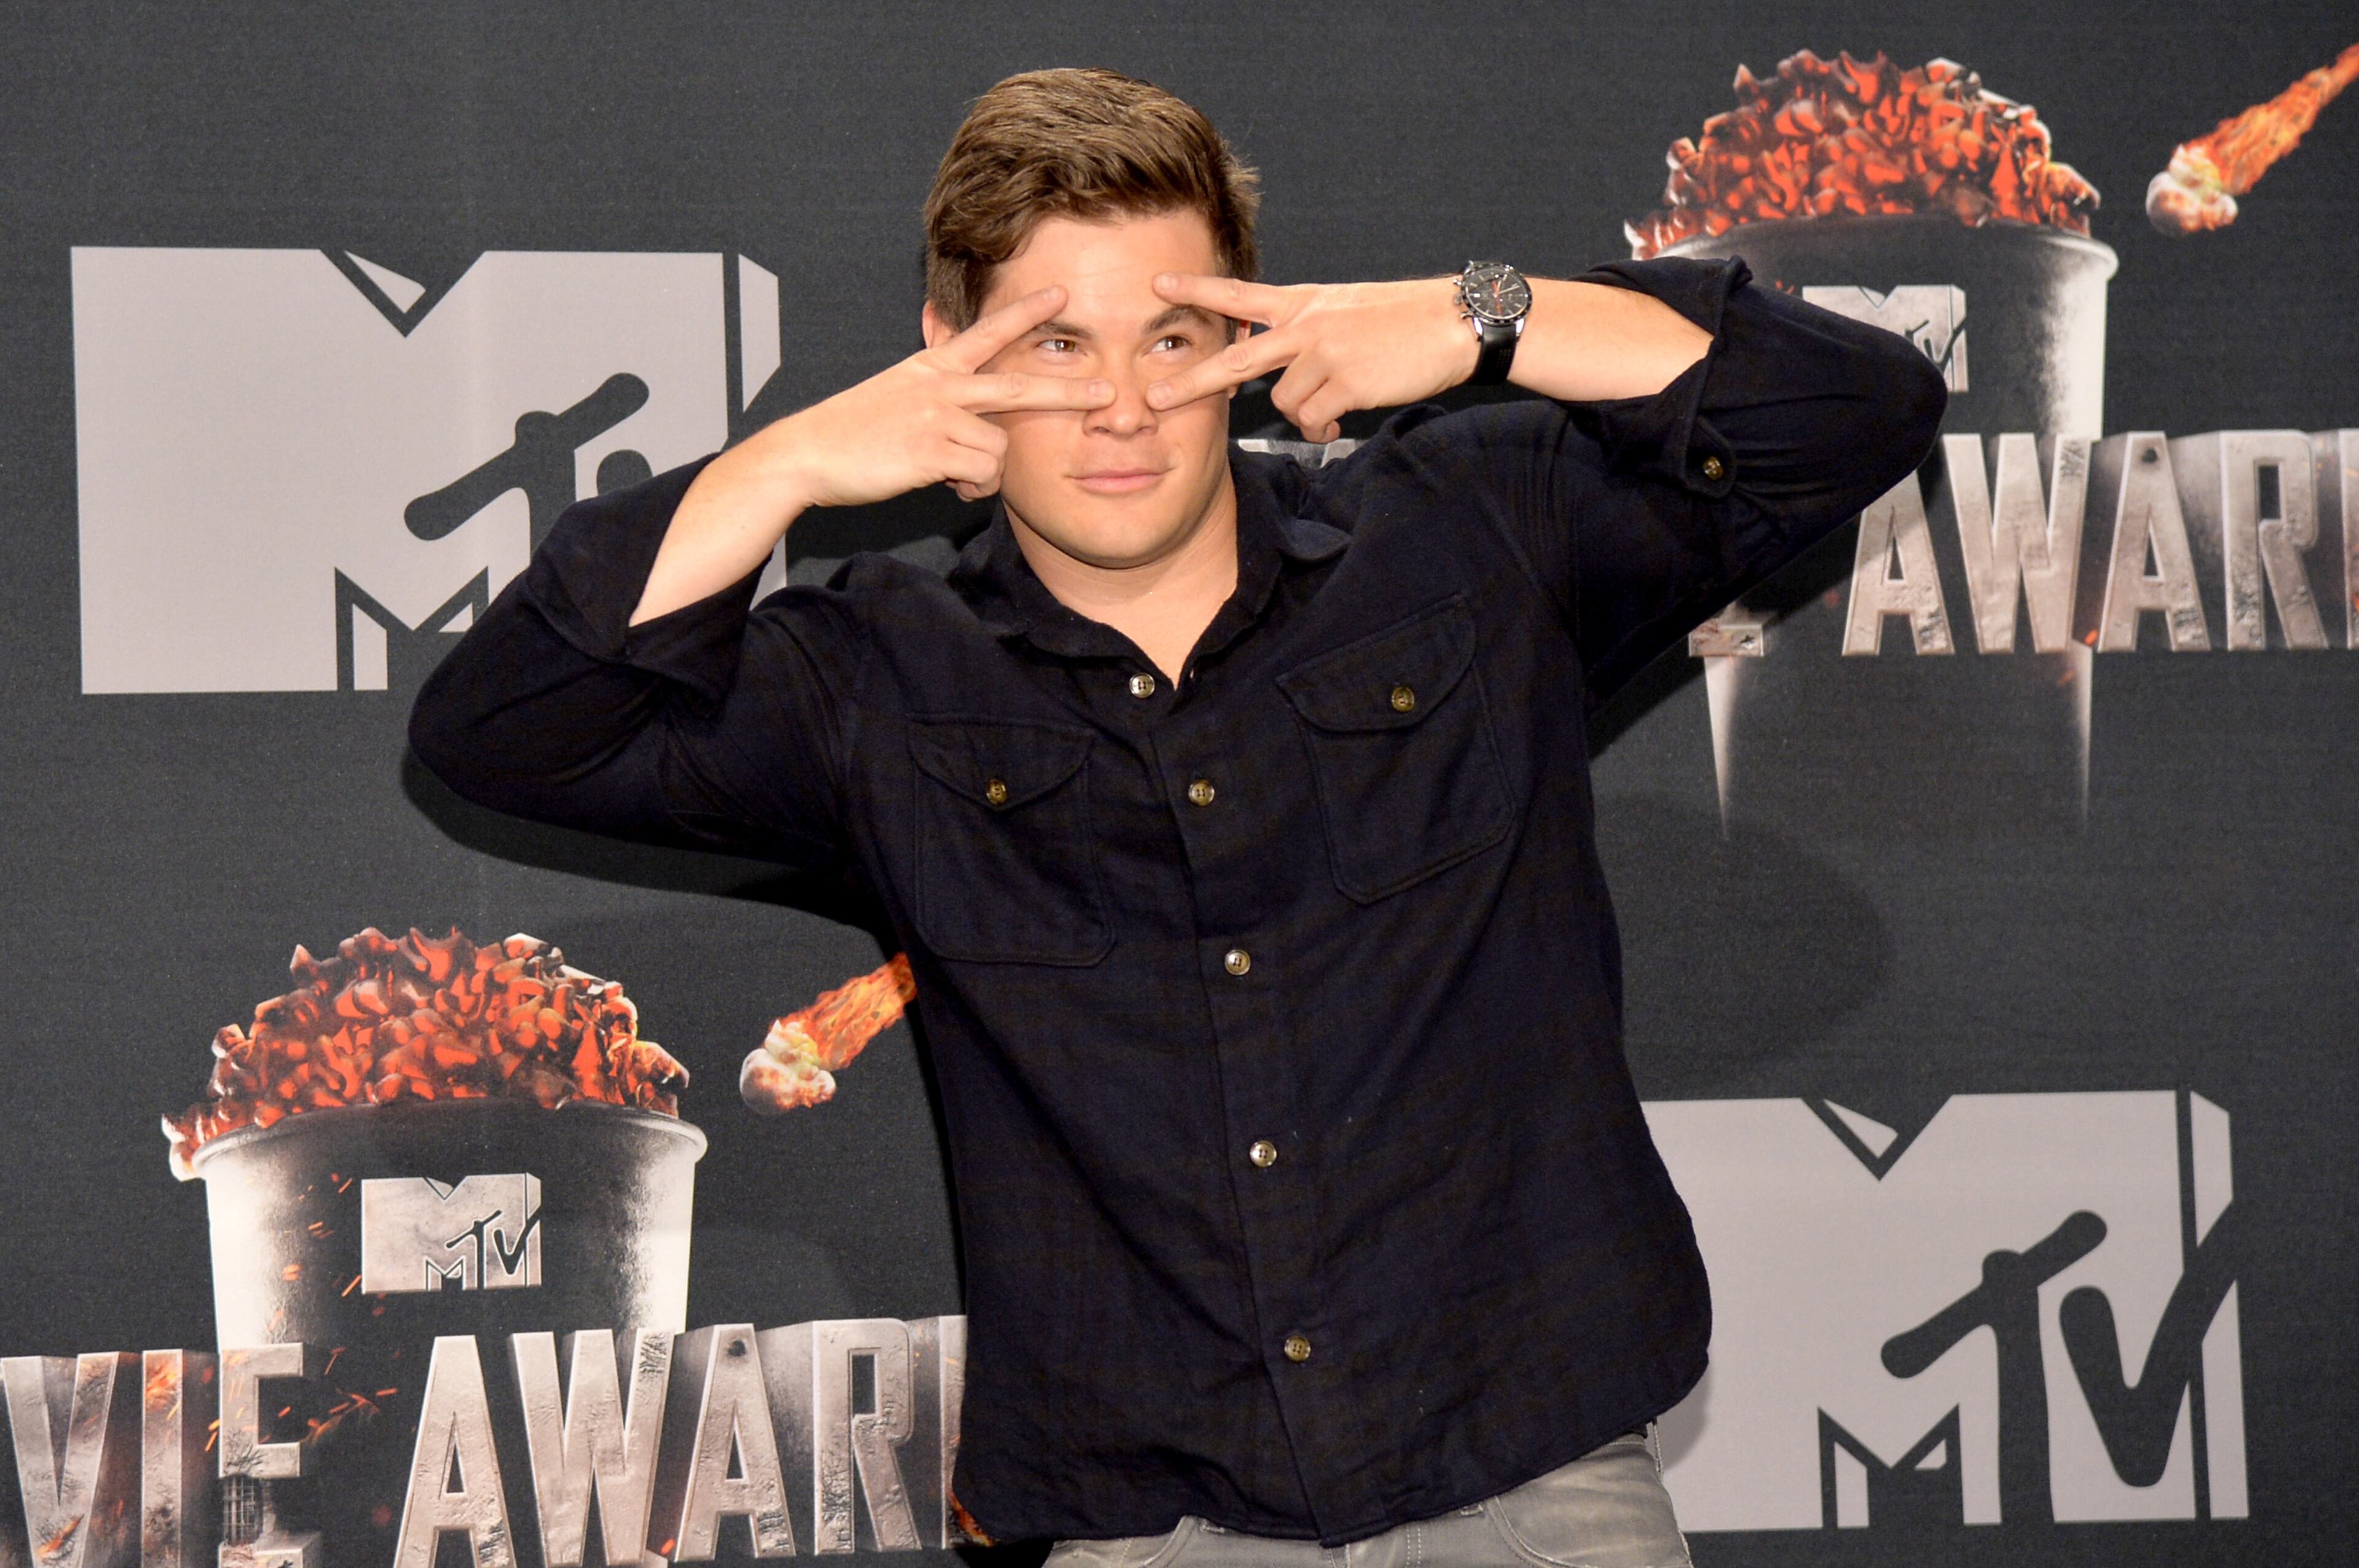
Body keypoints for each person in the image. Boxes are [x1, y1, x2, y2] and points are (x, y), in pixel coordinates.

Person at [410, 66, 1943, 1568]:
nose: (1125, 405)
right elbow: (503, 729)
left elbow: (1864, 407)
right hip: (1160, 1529)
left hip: (1539, 1492)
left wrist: (1491, 312)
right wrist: (792, 462)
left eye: (1173, 336)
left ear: (1249, 334)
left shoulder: (1466, 533)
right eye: (1055, 344)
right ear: (946, 356)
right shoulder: (876, 676)